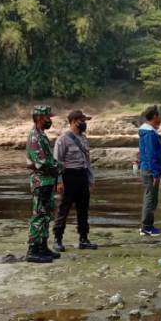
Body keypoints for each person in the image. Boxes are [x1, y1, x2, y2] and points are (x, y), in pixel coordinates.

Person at [52, 110, 97, 252]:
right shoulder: (63, 139)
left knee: (83, 209)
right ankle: (57, 239)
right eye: (81, 120)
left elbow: (87, 161)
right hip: (68, 177)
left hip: (82, 176)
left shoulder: (84, 138)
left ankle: (83, 239)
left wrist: (90, 179)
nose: (84, 123)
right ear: (73, 121)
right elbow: (57, 162)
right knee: (63, 210)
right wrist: (59, 181)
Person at [26, 105, 62, 263]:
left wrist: (56, 166)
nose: (50, 120)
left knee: (47, 215)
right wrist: (59, 166)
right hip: (40, 181)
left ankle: (43, 246)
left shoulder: (42, 135)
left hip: (48, 181)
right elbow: (41, 162)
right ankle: (33, 250)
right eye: (48, 117)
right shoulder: (34, 136)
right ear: (40, 118)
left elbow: (49, 160)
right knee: (38, 215)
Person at [138, 105, 161, 236]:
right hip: (150, 170)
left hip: (149, 169)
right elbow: (151, 154)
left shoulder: (149, 132)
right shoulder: (149, 134)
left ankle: (147, 226)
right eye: (159, 116)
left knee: (150, 198)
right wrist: (155, 173)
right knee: (151, 199)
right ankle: (147, 227)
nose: (160, 118)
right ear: (154, 117)